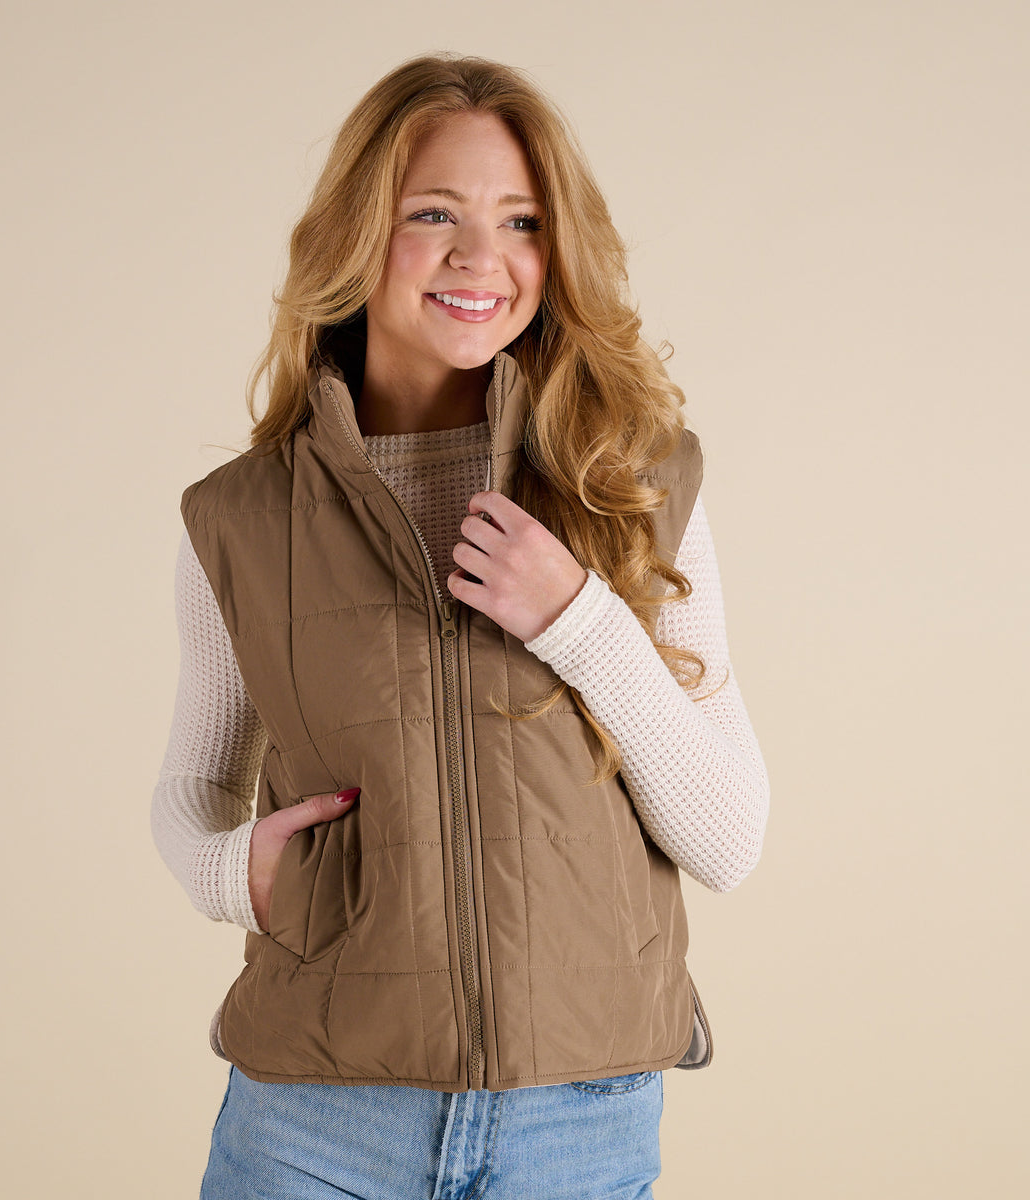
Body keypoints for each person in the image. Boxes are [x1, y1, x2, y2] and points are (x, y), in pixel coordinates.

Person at [152, 53, 769, 1200]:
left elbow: (730, 838)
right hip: (314, 1122)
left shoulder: (630, 486)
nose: (480, 257)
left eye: (521, 220)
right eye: (431, 213)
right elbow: (192, 792)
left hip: (576, 1127)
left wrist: (581, 622)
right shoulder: (239, 519)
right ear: (356, 234)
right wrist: (240, 876)